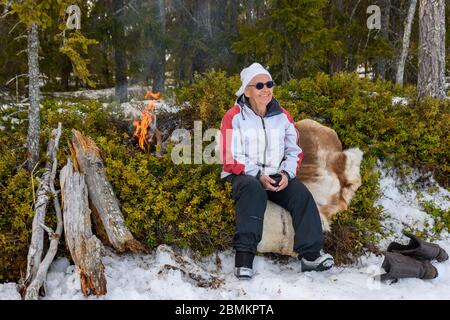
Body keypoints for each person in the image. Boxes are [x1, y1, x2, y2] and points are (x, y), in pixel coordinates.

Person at [220, 63, 334, 280]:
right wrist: (257, 174)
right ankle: (244, 259)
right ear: (247, 91)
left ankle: (311, 256)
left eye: (269, 84)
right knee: (254, 190)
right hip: (243, 175)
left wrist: (286, 174)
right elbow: (229, 156)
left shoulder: (283, 116)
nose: (266, 89)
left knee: (300, 194)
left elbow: (294, 150)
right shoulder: (233, 117)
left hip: (275, 173)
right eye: (259, 85)